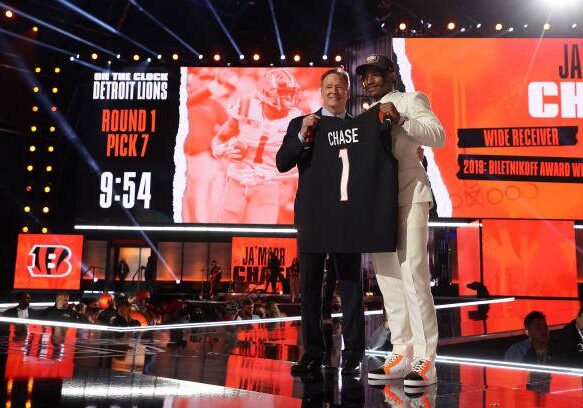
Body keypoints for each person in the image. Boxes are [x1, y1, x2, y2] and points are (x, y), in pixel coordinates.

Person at [358, 55, 445, 387]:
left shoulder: (411, 100)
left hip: (410, 198)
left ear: (391, 75)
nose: (370, 81)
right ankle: (401, 352)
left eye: (377, 74)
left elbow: (437, 135)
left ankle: (425, 360)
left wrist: (402, 120)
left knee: (412, 275)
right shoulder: (364, 117)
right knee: (388, 279)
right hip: (378, 205)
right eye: (366, 77)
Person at [277, 68, 364, 376]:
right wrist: (302, 135)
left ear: (348, 92)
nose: (334, 92)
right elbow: (282, 162)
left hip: (347, 217)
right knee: (310, 288)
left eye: (340, 87)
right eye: (329, 87)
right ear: (321, 90)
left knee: (352, 287)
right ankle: (313, 351)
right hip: (313, 217)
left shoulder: (360, 128)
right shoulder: (302, 124)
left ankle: (354, 353)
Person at [211, 68, 302, 224]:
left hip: (267, 186)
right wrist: (222, 150)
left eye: (290, 92)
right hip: (236, 181)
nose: (288, 97)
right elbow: (218, 140)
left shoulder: (297, 120)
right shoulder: (246, 105)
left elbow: (302, 164)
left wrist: (272, 174)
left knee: (259, 240)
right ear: (266, 92)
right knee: (224, 236)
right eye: (283, 92)